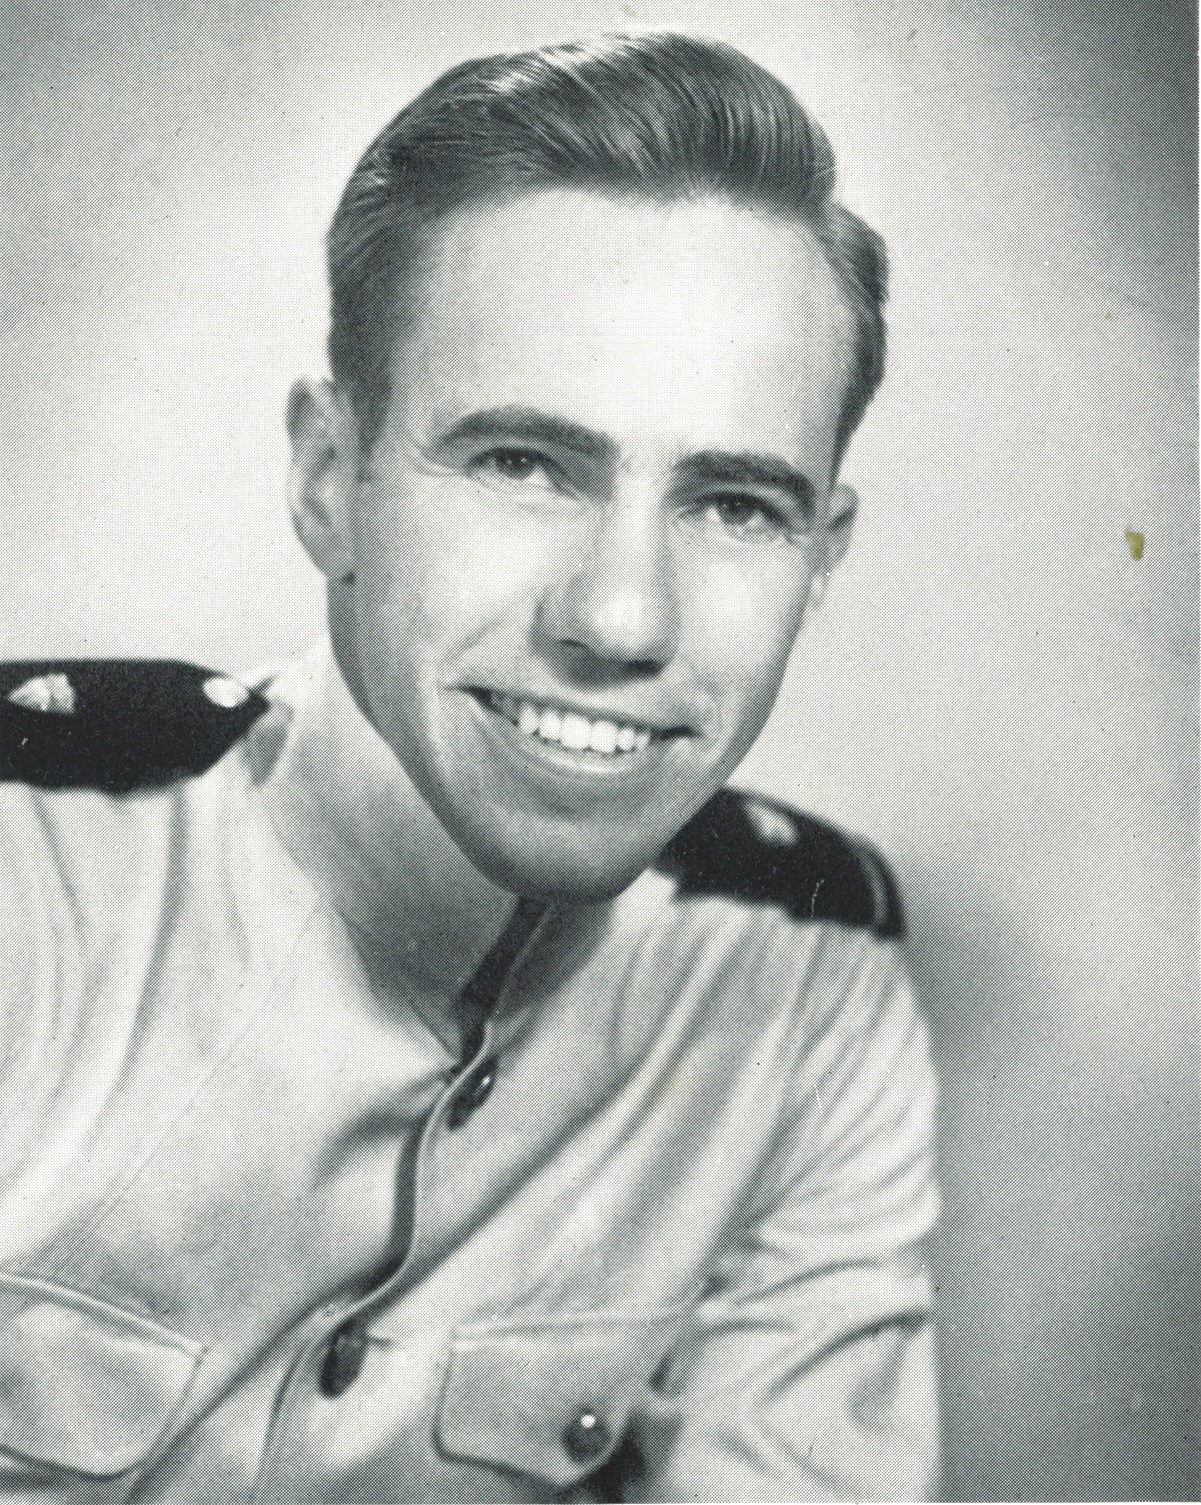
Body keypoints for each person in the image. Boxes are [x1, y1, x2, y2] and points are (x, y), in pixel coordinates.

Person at [0, 32, 940, 1503]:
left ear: (821, 559)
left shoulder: (802, 982)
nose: (620, 618)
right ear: (329, 477)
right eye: (521, 463)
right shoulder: (31, 877)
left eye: (735, 503)